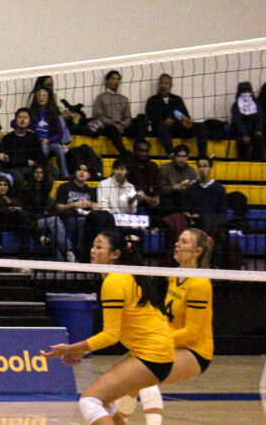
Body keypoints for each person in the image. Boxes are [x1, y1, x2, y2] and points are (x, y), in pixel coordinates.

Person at [42, 230, 174, 425]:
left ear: (115, 254)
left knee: (90, 401)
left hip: (152, 355)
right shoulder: (125, 276)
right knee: (103, 402)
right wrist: (79, 350)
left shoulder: (114, 281)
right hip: (155, 352)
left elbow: (110, 336)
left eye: (99, 247)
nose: (93, 251)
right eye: (93, 246)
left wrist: (71, 348)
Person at [117, 228, 214, 425]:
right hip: (170, 345)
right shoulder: (174, 275)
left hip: (195, 351)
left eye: (184, 242)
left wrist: (158, 338)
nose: (177, 244)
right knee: (122, 376)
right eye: (178, 240)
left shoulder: (199, 284)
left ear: (198, 251)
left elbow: (191, 333)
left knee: (145, 371)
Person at [145, 73, 207, 158]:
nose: (163, 86)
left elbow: (185, 115)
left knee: (201, 126)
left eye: (166, 83)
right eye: (161, 83)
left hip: (178, 128)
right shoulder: (152, 100)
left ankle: (203, 155)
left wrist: (186, 122)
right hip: (162, 130)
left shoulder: (177, 99)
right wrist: (164, 122)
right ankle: (172, 154)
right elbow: (150, 118)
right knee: (162, 127)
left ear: (170, 86)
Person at [20, 165, 74, 262]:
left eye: (41, 172)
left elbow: (51, 208)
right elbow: (27, 212)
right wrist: (46, 216)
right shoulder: (26, 191)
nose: (39, 175)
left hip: (46, 221)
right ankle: (68, 250)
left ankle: (61, 263)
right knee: (54, 221)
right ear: (33, 174)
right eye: (37, 172)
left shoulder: (46, 190)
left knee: (53, 231)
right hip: (33, 222)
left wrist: (50, 215)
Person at [54, 163, 104, 262]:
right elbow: (58, 207)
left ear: (89, 175)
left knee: (90, 222)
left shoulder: (90, 191)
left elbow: (96, 207)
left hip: (86, 219)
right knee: (83, 222)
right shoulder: (64, 187)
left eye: (85, 170)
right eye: (79, 170)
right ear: (75, 172)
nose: (82, 172)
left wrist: (93, 206)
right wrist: (73, 205)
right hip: (67, 219)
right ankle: (80, 256)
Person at [182, 157, 228, 236]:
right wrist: (190, 216)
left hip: (212, 227)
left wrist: (202, 217)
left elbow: (221, 213)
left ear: (210, 168)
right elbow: (185, 209)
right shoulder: (191, 188)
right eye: (199, 166)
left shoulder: (219, 189)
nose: (202, 169)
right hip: (194, 226)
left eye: (205, 166)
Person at [2, 108, 46, 190]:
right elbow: (7, 160)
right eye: (20, 117)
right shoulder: (8, 138)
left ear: (29, 121)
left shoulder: (34, 137)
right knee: (18, 178)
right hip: (13, 169)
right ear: (15, 120)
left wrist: (36, 165)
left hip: (30, 168)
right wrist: (26, 162)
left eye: (25, 117)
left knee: (46, 177)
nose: (22, 120)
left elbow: (40, 156)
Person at [30, 86, 68, 179]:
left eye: (44, 95)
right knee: (43, 147)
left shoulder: (53, 114)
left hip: (49, 142)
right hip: (36, 143)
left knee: (59, 148)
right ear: (36, 98)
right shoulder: (31, 113)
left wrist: (49, 140)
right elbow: (14, 123)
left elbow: (59, 133)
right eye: (39, 95)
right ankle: (43, 174)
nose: (41, 98)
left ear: (48, 98)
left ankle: (64, 175)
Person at [92, 70, 133, 156]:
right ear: (107, 81)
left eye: (118, 79)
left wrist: (123, 124)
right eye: (113, 79)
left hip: (122, 126)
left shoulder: (124, 99)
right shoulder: (101, 97)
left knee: (139, 127)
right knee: (111, 128)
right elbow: (98, 116)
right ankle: (124, 153)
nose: (116, 82)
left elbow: (128, 116)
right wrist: (114, 124)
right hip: (108, 127)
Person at [230, 81, 263, 160]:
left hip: (254, 132)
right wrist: (244, 134)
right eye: (244, 91)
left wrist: (258, 130)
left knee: (259, 142)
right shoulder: (235, 106)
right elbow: (238, 122)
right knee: (242, 144)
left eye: (248, 91)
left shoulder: (256, 104)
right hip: (240, 132)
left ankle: (258, 162)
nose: (246, 93)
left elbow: (260, 119)